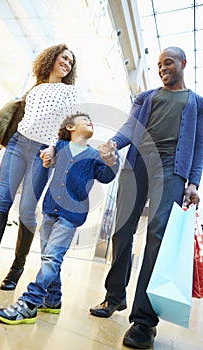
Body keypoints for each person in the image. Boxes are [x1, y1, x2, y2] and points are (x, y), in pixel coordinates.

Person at [89, 46, 203, 349]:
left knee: (157, 233)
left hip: (172, 168)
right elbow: (130, 126)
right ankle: (114, 297)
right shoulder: (147, 97)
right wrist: (113, 142)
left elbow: (200, 145)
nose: (163, 69)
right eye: (159, 65)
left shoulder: (197, 103)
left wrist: (194, 182)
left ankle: (143, 322)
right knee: (121, 230)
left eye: (168, 63)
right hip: (139, 162)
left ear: (183, 63)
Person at [0, 43, 78, 293]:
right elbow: (19, 121)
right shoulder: (35, 89)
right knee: (0, 202)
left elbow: (66, 125)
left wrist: (53, 147)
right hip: (18, 145)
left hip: (42, 151)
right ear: (51, 58)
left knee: (27, 209)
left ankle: (16, 268)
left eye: (70, 62)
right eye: (63, 58)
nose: (66, 64)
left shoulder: (69, 92)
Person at [0, 112, 119, 325]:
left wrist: (111, 162)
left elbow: (106, 177)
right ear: (70, 127)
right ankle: (52, 300)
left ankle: (30, 303)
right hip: (50, 209)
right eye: (85, 119)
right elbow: (47, 154)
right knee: (49, 257)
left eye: (92, 120)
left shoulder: (94, 155)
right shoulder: (59, 146)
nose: (90, 122)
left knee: (52, 258)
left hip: (72, 214)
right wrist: (47, 154)